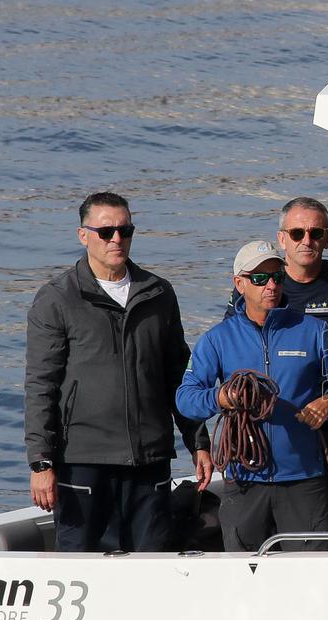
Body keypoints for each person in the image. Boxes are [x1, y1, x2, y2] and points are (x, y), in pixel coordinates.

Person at [24, 191, 213, 552]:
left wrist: (198, 442)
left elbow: (178, 377)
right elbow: (40, 386)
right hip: (83, 463)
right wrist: (41, 462)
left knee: (153, 564)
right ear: (83, 235)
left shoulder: (158, 293)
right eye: (106, 231)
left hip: (150, 460)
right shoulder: (57, 298)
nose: (117, 239)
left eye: (125, 231)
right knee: (83, 565)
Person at [178, 241, 328, 551]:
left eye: (277, 277)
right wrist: (221, 398)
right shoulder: (217, 339)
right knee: (244, 572)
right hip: (244, 482)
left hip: (305, 480)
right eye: (259, 278)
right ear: (239, 283)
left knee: (316, 573)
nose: (271, 285)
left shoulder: (313, 330)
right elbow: (186, 398)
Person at [225, 197, 328, 528]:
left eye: (316, 233)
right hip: (270, 427)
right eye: (297, 233)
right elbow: (232, 348)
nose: (307, 241)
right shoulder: (261, 283)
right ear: (282, 239)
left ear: (327, 239)